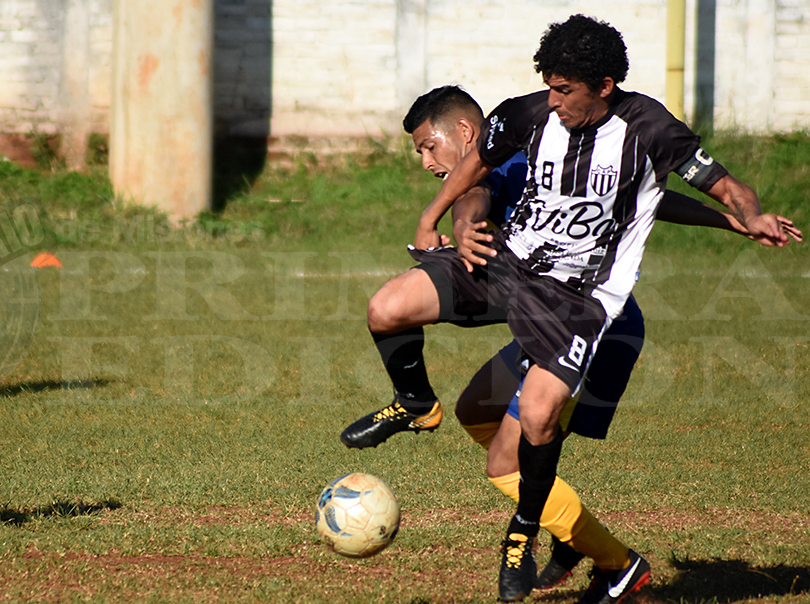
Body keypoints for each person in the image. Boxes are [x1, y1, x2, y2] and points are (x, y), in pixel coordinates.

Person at [341, 85, 801, 598]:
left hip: (600, 329)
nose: (425, 162)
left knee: (506, 463)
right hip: (545, 310)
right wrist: (461, 229)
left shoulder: (521, 158)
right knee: (475, 410)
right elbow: (478, 202)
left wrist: (733, 219)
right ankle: (559, 524)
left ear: (466, 134)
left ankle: (617, 564)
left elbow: (488, 193)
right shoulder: (519, 158)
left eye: (428, 147)